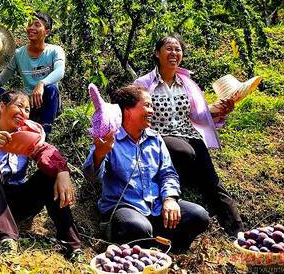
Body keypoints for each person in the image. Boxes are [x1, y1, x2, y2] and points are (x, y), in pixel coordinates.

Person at [134, 34, 243, 236]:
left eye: (178, 49)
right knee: (185, 152)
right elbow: (134, 113)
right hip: (159, 137)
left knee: (212, 183)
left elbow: (196, 114)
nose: (174, 53)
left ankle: (238, 232)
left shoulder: (187, 84)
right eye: (169, 49)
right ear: (157, 53)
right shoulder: (143, 83)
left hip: (189, 135)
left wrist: (218, 109)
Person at [0, 89, 82, 260]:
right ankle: (6, 238)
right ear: (2, 106)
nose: (23, 113)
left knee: (49, 175)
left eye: (27, 109)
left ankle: (73, 247)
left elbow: (46, 151)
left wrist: (61, 171)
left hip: (15, 203)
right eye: (19, 106)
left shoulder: (27, 136)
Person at [83, 84, 209, 251]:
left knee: (198, 215)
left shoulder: (155, 139)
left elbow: (168, 173)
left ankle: (158, 246)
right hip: (125, 208)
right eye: (147, 105)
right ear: (128, 110)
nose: (152, 110)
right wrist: (99, 154)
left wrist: (170, 199)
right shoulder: (109, 139)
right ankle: (145, 243)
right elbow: (92, 176)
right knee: (137, 227)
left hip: (156, 207)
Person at [0, 13, 64, 136]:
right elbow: (1, 80)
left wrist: (41, 83)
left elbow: (60, 71)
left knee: (51, 89)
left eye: (37, 25)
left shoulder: (54, 50)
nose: (31, 28)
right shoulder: (19, 54)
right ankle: (5, 127)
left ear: (47, 32)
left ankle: (45, 132)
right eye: (29, 24)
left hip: (47, 103)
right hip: (27, 106)